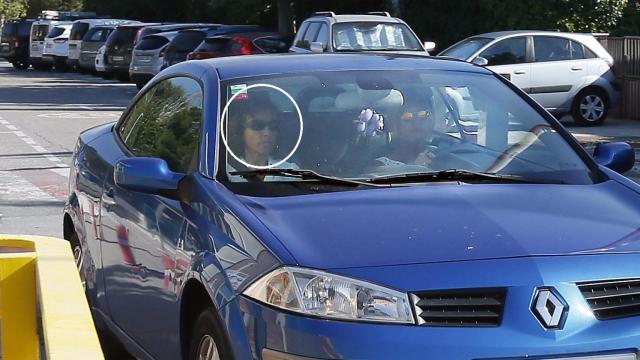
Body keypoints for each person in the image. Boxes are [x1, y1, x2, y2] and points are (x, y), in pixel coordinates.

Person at [225, 94, 297, 181]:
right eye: (257, 126)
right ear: (240, 132)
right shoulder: (224, 173)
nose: (267, 133)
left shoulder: (291, 172)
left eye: (273, 125)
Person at [375, 94, 437, 169]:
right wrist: (413, 168)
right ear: (394, 125)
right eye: (407, 117)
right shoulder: (379, 164)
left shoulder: (445, 150)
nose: (416, 123)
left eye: (422, 115)